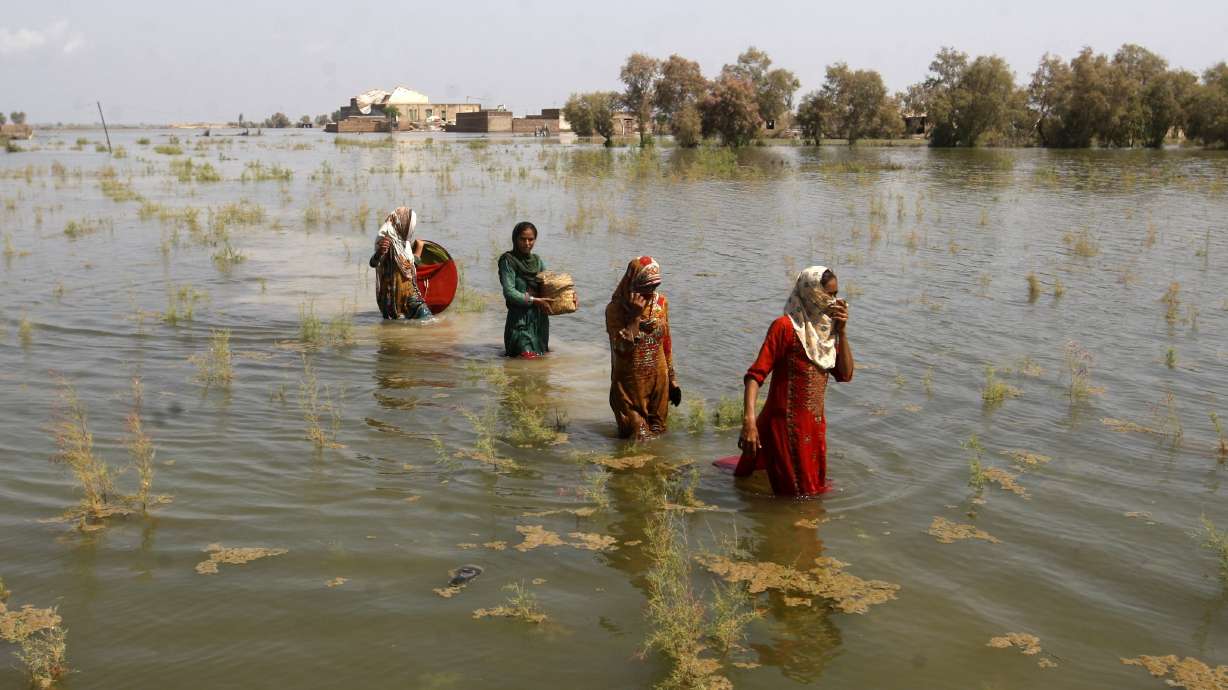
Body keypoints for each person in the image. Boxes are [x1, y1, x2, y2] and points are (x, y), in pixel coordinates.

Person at [731, 266, 854, 497]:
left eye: (836, 294)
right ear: (812, 293)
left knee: (811, 493)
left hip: (815, 428)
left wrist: (843, 333)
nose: (835, 301)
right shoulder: (785, 328)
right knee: (797, 501)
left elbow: (845, 375)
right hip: (785, 428)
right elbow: (755, 376)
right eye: (829, 294)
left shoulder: (825, 333)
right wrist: (749, 422)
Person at [605, 256, 681, 440]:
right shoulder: (615, 310)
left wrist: (672, 380)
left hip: (657, 382)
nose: (650, 292)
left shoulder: (661, 303)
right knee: (637, 439)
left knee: (659, 436)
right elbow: (621, 349)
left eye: (654, 286)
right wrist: (635, 318)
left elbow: (666, 342)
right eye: (645, 286)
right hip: (629, 388)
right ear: (633, 283)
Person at [498, 221, 550, 358]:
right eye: (523, 239)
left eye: (531, 239)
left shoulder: (537, 261)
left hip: (539, 323)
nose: (527, 243)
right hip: (519, 322)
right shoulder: (508, 261)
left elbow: (550, 284)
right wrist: (534, 300)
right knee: (526, 360)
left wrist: (569, 295)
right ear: (515, 239)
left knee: (540, 366)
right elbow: (509, 292)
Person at [369, 206, 431, 320]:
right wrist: (380, 252)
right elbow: (373, 263)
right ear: (404, 223)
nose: (411, 228)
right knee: (429, 321)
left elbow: (408, 265)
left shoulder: (404, 243)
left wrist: (419, 248)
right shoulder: (388, 242)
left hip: (400, 297)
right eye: (411, 225)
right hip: (398, 298)